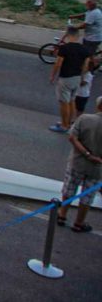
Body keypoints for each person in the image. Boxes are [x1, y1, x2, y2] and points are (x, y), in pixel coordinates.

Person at [57, 95, 102, 233]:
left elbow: (72, 137)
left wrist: (86, 154)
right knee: (87, 196)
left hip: (77, 161)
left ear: (98, 106)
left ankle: (62, 214)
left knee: (69, 189)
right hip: (97, 168)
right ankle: (79, 222)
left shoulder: (84, 119)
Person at [50, 26, 92, 133]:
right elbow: (85, 66)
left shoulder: (64, 48)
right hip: (77, 78)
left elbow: (58, 64)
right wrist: (81, 77)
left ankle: (64, 125)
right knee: (72, 101)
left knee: (64, 103)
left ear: (68, 35)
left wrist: (52, 76)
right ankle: (69, 123)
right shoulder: (85, 49)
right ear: (79, 36)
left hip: (65, 78)